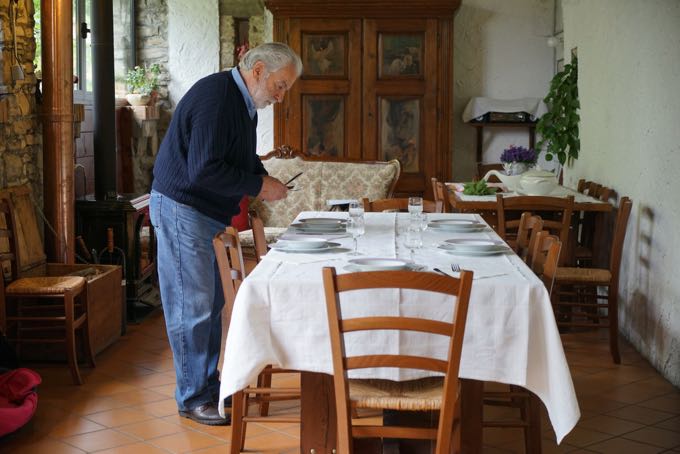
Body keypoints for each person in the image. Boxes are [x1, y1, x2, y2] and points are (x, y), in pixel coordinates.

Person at [149, 43, 302, 426]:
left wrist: (263, 178)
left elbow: (237, 158)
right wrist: (257, 185)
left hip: (203, 212)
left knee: (210, 305)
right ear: (258, 71)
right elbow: (204, 170)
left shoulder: (240, 102)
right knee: (193, 309)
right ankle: (193, 396)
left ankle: (207, 384)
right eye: (280, 86)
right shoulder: (219, 99)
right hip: (184, 208)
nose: (281, 97)